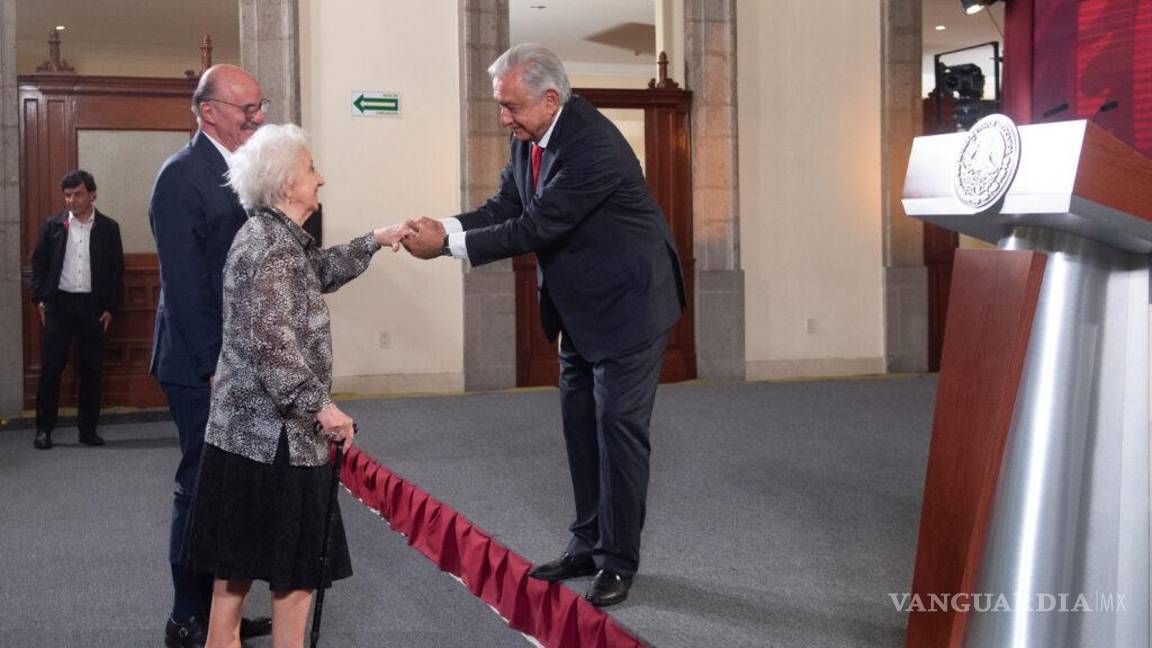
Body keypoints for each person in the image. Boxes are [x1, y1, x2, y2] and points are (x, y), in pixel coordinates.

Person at [403, 43, 685, 607]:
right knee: (580, 427)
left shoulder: (594, 146)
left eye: (510, 107)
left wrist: (445, 249)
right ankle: (586, 543)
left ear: (550, 98)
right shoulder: (527, 137)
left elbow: (534, 227)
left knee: (618, 432)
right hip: (576, 310)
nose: (503, 118)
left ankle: (617, 560)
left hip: (630, 306)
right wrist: (448, 223)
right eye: (501, 106)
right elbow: (505, 206)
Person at [180, 123, 410, 647]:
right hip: (277, 438)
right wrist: (321, 406)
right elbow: (271, 343)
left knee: (234, 563)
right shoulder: (272, 247)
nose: (320, 178)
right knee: (298, 567)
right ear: (286, 183)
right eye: (310, 169)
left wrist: (374, 240)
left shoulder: (272, 238)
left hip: (244, 436)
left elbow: (320, 271)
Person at [149, 64, 272, 646]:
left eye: (260, 105)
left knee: (234, 493)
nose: (259, 117)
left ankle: (223, 614)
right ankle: (186, 617)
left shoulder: (247, 170)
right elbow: (186, 286)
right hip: (203, 368)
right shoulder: (181, 176)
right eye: (247, 109)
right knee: (200, 489)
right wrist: (213, 368)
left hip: (242, 362)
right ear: (209, 113)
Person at [29, 169, 124, 450]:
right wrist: (40, 298)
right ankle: (43, 430)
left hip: (93, 308)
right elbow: (39, 264)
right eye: (68, 195)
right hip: (59, 304)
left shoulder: (108, 228)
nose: (72, 200)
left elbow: (116, 270)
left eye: (78, 194)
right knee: (51, 368)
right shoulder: (53, 225)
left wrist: (110, 307)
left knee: (91, 369)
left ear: (92, 194)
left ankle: (88, 430)